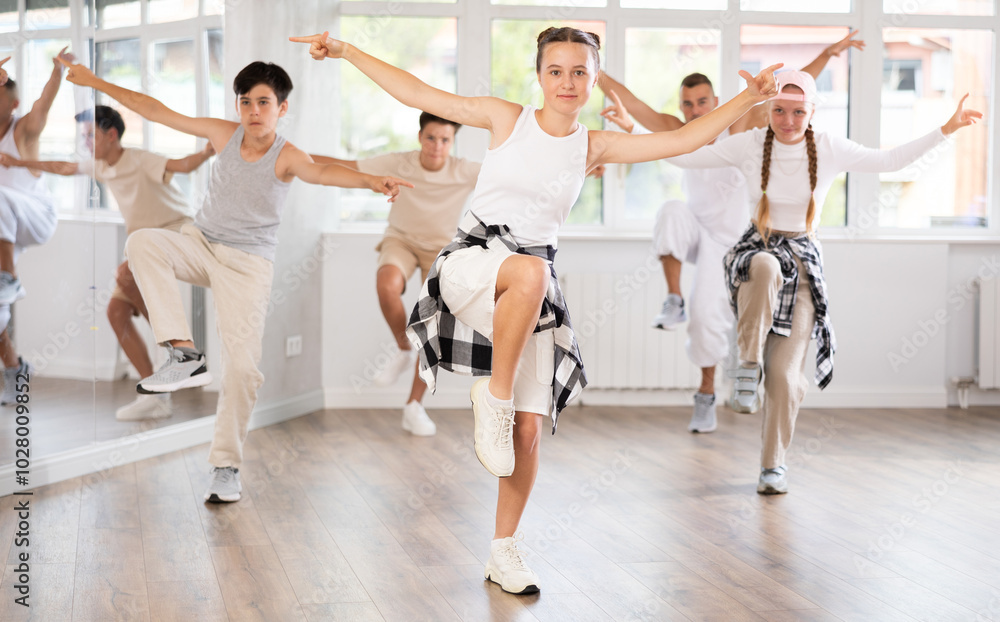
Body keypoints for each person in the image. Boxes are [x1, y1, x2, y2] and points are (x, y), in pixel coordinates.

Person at [291, 26, 780, 594]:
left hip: (531, 288)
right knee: (529, 272)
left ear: (596, 80)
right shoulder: (508, 119)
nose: (567, 82)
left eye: (580, 72)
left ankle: (504, 551)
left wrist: (749, 99)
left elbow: (683, 141)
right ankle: (492, 400)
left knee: (528, 433)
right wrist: (347, 50)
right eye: (556, 71)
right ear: (539, 75)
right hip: (474, 263)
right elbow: (420, 94)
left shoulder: (593, 145)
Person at [58, 58, 413, 502]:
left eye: (264, 102)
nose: (253, 111)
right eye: (246, 102)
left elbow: (324, 173)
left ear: (282, 108)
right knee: (144, 242)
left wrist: (370, 182)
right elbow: (152, 109)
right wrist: (94, 82)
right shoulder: (224, 134)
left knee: (243, 370)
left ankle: (225, 466)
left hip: (247, 266)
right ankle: (183, 353)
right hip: (200, 243)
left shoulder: (287, 155)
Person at [664, 71, 980, 494]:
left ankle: (772, 465)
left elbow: (888, 161)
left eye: (797, 112)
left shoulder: (828, 148)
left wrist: (947, 129)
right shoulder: (750, 144)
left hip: (805, 267)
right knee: (765, 266)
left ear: (812, 112)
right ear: (768, 109)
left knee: (785, 375)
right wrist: (626, 135)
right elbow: (683, 153)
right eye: (779, 110)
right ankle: (746, 364)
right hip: (754, 254)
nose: (788, 120)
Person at [597, 31, 864, 433]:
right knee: (670, 210)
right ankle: (673, 299)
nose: (693, 109)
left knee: (707, 320)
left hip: (726, 243)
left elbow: (791, 91)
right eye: (687, 103)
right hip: (693, 229)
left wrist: (826, 54)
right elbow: (632, 101)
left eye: (701, 102)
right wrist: (590, 68)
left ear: (715, 103)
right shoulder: (676, 129)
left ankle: (705, 395)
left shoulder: (740, 128)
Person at [0, 105, 214, 421]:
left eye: (90, 135)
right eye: (83, 136)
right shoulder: (102, 166)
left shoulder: (139, 159)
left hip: (173, 234)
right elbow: (62, 167)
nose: (85, 142)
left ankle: (183, 352)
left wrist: (209, 150)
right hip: (141, 245)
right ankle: (156, 394)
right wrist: (19, 162)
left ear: (111, 135)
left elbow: (183, 165)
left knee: (124, 273)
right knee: (116, 312)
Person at [311, 112, 481, 436]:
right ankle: (403, 348)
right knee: (387, 285)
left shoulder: (464, 170)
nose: (437, 146)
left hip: (440, 248)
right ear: (420, 137)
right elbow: (346, 164)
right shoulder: (399, 162)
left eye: (445, 140)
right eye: (431, 138)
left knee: (432, 325)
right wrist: (288, 155)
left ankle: (413, 406)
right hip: (400, 239)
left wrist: (584, 167)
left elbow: (516, 179)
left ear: (453, 142)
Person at [0, 48, 75, 406]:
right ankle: (15, 369)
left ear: (12, 104)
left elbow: (44, 105)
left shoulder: (23, 130)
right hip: (6, 229)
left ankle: (8, 280)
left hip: (36, 216)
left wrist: (57, 72)